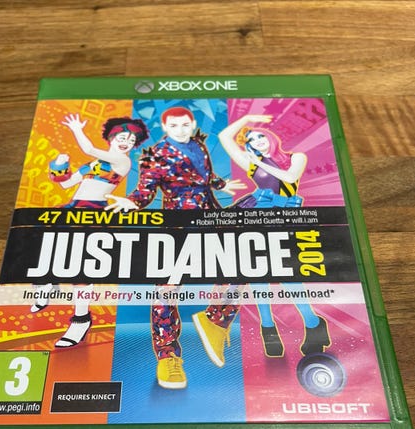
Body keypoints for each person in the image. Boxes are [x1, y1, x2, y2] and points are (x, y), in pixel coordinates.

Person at [106, 106, 246, 388]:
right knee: (167, 290)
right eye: (174, 126)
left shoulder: (198, 145)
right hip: (178, 226)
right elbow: (146, 188)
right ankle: (168, 355)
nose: (180, 130)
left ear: (192, 124)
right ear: (165, 128)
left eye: (184, 125)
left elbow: (204, 175)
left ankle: (215, 322)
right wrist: (132, 202)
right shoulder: (156, 155)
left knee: (242, 267)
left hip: (212, 218)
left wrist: (220, 184)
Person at [218, 114, 330, 357]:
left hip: (283, 214)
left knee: (284, 269)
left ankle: (313, 323)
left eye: (260, 136)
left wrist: (260, 163)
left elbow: (290, 177)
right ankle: (268, 328)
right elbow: (224, 137)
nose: (257, 141)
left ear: (270, 137)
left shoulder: (295, 157)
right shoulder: (252, 163)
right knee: (257, 271)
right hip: (255, 211)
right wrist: (247, 118)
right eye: (251, 140)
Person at [34, 114, 148, 348]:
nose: (126, 142)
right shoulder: (94, 164)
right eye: (122, 137)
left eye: (131, 140)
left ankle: (81, 319)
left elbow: (87, 148)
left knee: (81, 267)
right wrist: (59, 164)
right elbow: (65, 183)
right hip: (72, 209)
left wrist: (77, 129)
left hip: (93, 212)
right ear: (111, 138)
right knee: (47, 247)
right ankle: (48, 284)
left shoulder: (122, 162)